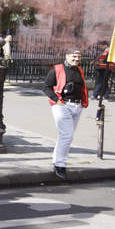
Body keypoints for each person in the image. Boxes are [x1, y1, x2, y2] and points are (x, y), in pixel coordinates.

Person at [43, 49, 88, 180]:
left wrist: (83, 102)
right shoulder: (56, 69)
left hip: (77, 106)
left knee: (66, 136)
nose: (76, 59)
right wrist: (57, 100)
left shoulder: (79, 70)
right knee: (67, 136)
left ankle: (58, 161)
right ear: (67, 56)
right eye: (74, 56)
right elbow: (46, 87)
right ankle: (59, 164)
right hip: (62, 105)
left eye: (79, 57)